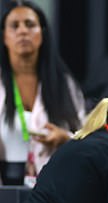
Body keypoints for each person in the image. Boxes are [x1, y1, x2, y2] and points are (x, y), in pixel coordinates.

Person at [0, 0, 85, 186]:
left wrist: (66, 139)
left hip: (56, 185)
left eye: (30, 25)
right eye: (14, 26)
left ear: (42, 33)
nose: (22, 31)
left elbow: (85, 137)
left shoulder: (64, 84)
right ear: (4, 37)